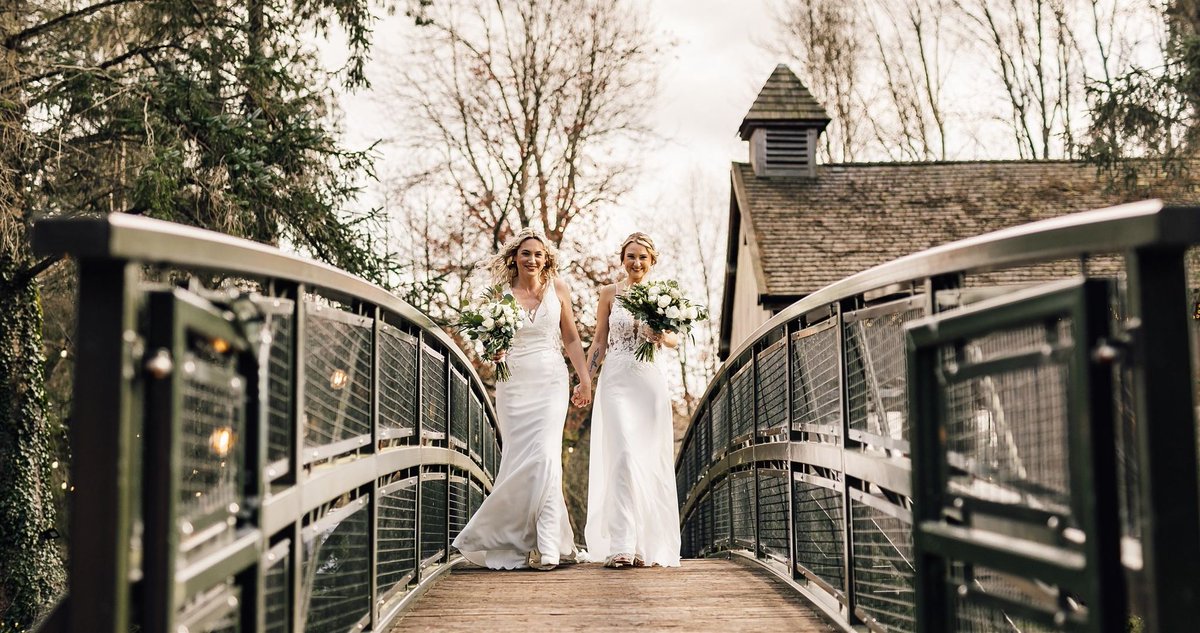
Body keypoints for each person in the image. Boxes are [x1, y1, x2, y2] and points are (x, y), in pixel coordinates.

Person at [453, 227, 592, 571]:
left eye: (538, 254)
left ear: (547, 260)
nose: (532, 259)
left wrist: (585, 379)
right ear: (514, 257)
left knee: (545, 457)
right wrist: (493, 352)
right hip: (513, 384)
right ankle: (512, 538)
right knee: (519, 461)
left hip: (550, 381)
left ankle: (547, 545)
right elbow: (488, 343)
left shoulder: (558, 289)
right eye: (526, 253)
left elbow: (572, 339)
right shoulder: (500, 295)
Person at [577, 232, 681, 569]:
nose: (636, 263)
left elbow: (674, 340)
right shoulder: (609, 294)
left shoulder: (664, 295)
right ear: (622, 258)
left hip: (648, 381)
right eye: (630, 256)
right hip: (617, 379)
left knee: (646, 459)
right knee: (621, 454)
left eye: (643, 258)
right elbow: (598, 343)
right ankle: (621, 544)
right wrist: (586, 379)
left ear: (652, 261)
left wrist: (660, 335)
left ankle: (644, 543)